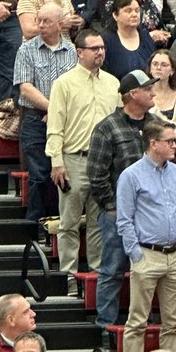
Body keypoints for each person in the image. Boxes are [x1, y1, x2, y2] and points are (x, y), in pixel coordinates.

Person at [115, 118, 176, 352]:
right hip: (147, 254)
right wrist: (135, 254)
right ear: (153, 143)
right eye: (170, 141)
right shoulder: (131, 175)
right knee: (137, 321)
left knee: (173, 322)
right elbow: (124, 220)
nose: (175, 145)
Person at [45, 27, 121, 293]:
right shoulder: (63, 84)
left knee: (99, 222)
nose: (100, 52)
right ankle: (69, 275)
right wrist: (57, 161)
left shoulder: (113, 83)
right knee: (69, 221)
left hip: (103, 162)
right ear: (80, 52)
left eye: (102, 48)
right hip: (74, 158)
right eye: (95, 48)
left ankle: (95, 277)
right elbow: (55, 126)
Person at [87, 68, 156, 335]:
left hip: (150, 214)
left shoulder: (155, 125)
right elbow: (96, 174)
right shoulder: (107, 127)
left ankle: (144, 326)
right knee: (113, 270)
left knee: (148, 273)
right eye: (147, 88)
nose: (152, 92)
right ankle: (105, 328)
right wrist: (112, 207)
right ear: (132, 95)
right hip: (118, 214)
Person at [14, 1, 77, 225]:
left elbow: (75, 86)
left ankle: (57, 225)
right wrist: (53, 108)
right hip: (34, 119)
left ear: (60, 24)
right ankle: (34, 226)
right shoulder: (26, 49)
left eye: (46, 21)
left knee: (60, 175)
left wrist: (59, 113)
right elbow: (25, 87)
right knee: (39, 175)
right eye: (38, 20)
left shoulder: (71, 51)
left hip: (66, 122)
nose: (40, 25)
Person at [103, 0, 156, 82]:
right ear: (115, 15)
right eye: (128, 11)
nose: (134, 14)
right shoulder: (106, 40)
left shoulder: (146, 36)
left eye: (137, 10)